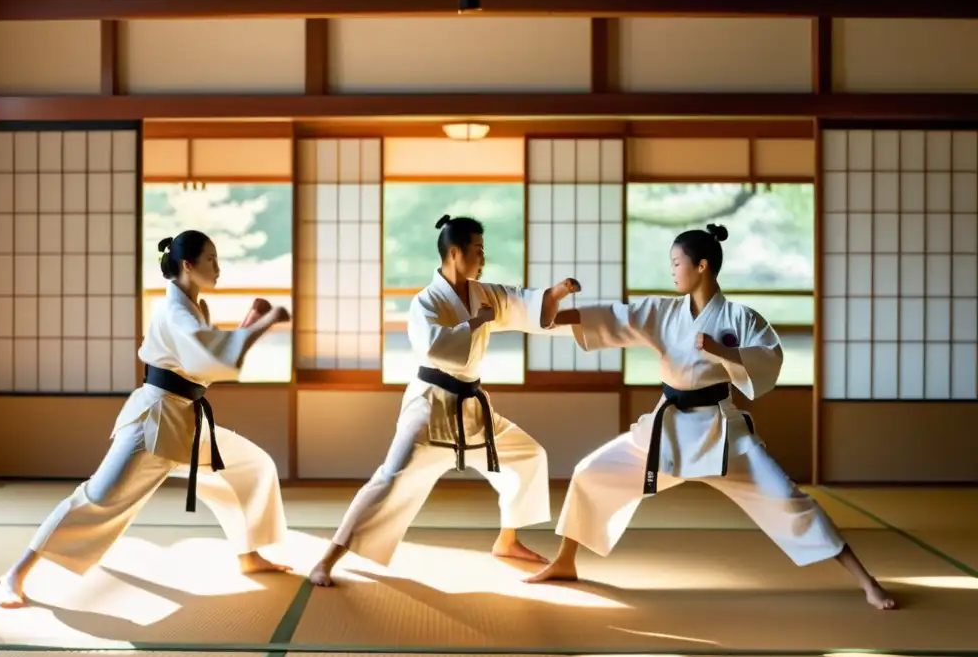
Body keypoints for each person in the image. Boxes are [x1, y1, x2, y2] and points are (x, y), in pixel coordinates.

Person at [525, 223, 896, 611]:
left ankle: (866, 582)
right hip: (666, 430)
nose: (671, 270)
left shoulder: (741, 318)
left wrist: (723, 350)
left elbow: (769, 358)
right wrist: (555, 316)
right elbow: (616, 318)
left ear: (702, 266)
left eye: (676, 262)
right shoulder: (663, 312)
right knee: (591, 472)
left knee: (787, 499)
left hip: (722, 434)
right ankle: (565, 561)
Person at [0, 231, 293, 609]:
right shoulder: (175, 310)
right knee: (98, 498)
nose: (218, 268)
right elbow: (214, 357)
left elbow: (205, 355)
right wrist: (264, 322)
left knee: (252, 466)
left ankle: (248, 555)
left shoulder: (193, 307)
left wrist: (250, 323)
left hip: (187, 420)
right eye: (211, 260)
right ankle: (15, 574)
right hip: (154, 422)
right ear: (188, 265)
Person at [308, 214, 579, 587]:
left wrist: (555, 294)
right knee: (390, 479)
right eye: (478, 251)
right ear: (455, 253)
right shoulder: (426, 302)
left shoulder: (483, 294)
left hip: (472, 406)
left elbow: (520, 301)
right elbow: (437, 348)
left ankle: (508, 539)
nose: (483, 259)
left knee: (529, 456)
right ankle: (327, 558)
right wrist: (476, 323)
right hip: (431, 406)